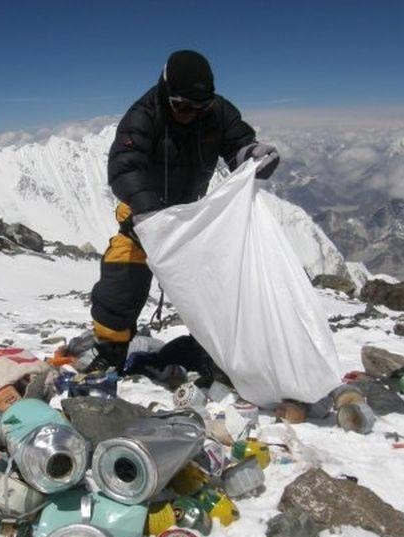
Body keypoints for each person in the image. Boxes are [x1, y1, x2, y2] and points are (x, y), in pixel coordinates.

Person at [88, 49, 280, 372]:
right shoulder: (144, 116)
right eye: (182, 106)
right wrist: (148, 213)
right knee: (122, 281)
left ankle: (219, 355)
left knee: (218, 286)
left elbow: (238, 144)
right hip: (142, 221)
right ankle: (109, 354)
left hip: (192, 221)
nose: (190, 113)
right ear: (166, 92)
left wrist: (252, 154)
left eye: (199, 107)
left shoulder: (217, 113)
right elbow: (123, 166)